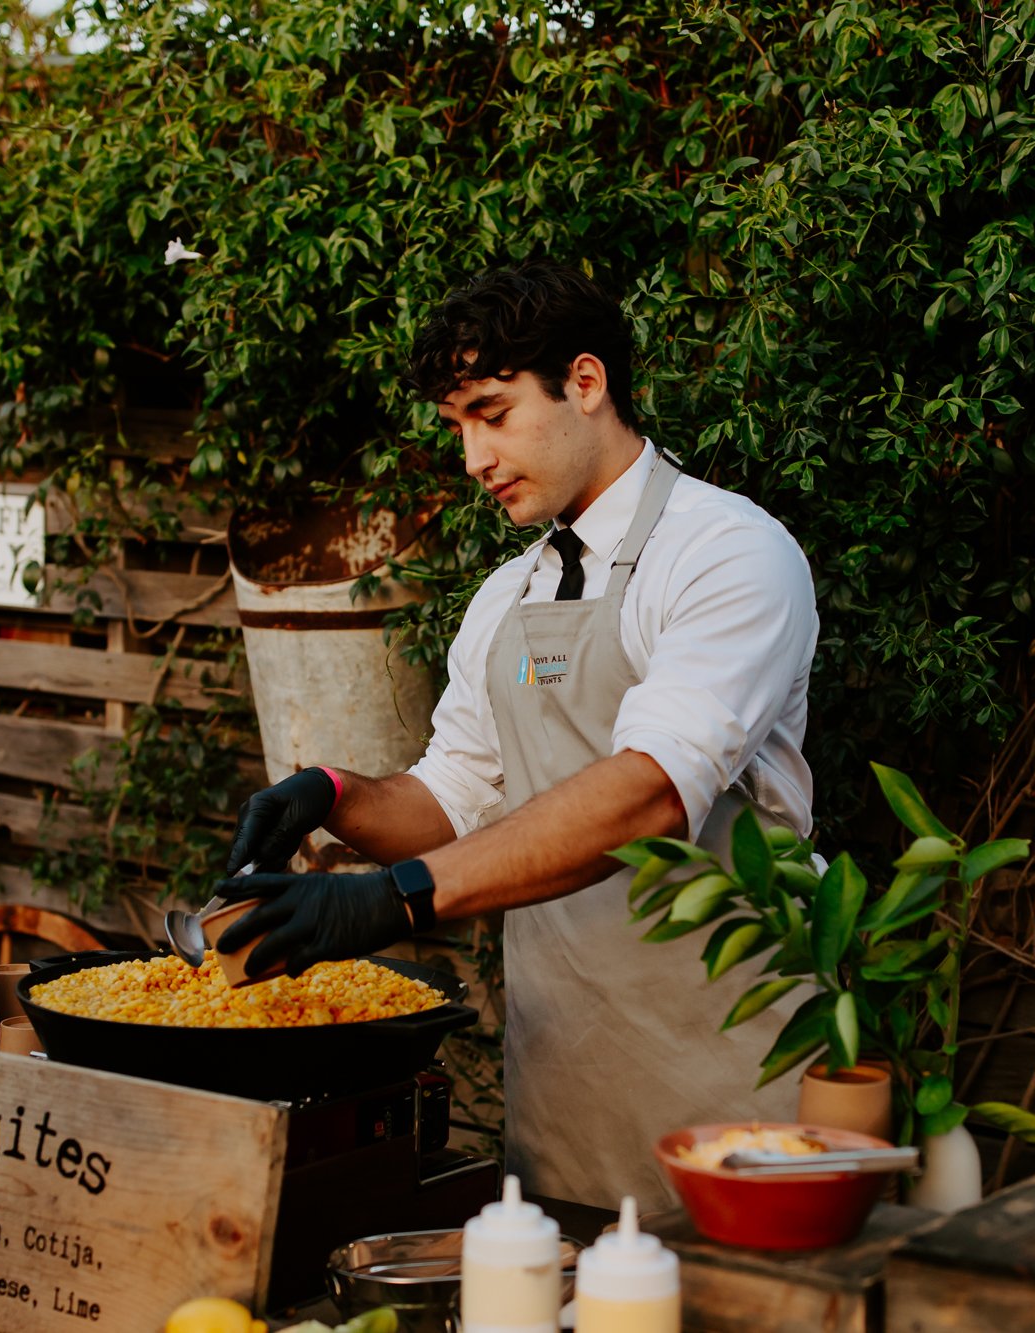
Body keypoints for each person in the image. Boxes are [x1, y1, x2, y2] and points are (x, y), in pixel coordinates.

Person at [217, 261, 819, 1209]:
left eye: (492, 415)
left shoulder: (727, 552)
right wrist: (334, 794)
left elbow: (653, 792)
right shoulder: (508, 596)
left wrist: (397, 901)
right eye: (458, 427)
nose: (472, 459)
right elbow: (453, 797)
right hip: (564, 1099)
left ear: (586, 383)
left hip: (733, 1088)